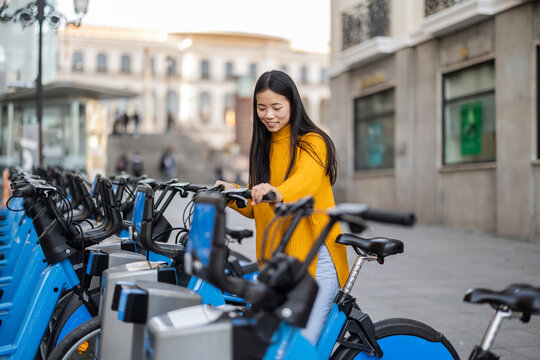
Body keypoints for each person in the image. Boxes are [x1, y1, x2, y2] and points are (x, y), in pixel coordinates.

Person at [215, 70, 348, 344]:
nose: (269, 115)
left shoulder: (312, 142)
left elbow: (305, 183)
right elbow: (257, 208)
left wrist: (276, 192)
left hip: (315, 260)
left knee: (297, 347)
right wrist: (232, 193)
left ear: (293, 104)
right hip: (281, 265)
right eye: (261, 108)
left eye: (277, 107)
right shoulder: (263, 148)